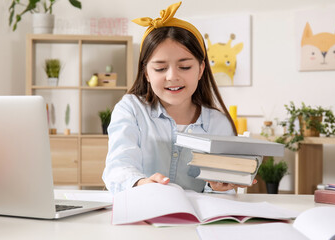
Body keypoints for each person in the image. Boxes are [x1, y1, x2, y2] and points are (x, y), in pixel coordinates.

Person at [102, 1, 252, 195]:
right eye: (160, 68)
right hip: (143, 213)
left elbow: (224, 192)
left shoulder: (218, 123)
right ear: (146, 73)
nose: (172, 76)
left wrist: (219, 186)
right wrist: (141, 183)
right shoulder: (130, 109)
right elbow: (118, 166)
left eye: (185, 67)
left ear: (201, 69)